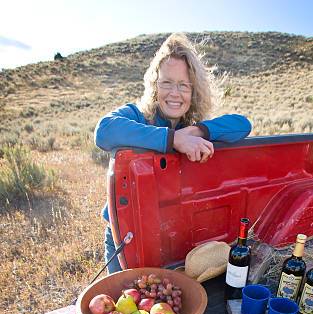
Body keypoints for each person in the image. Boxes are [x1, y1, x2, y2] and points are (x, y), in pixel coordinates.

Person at [94, 33, 252, 273]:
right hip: (127, 236)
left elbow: (242, 125)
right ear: (154, 85)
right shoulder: (138, 115)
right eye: (167, 83)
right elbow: (104, 132)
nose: (175, 93)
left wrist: (198, 130)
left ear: (193, 90)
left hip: (171, 236)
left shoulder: (193, 126)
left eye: (183, 85)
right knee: (124, 300)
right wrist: (173, 139)